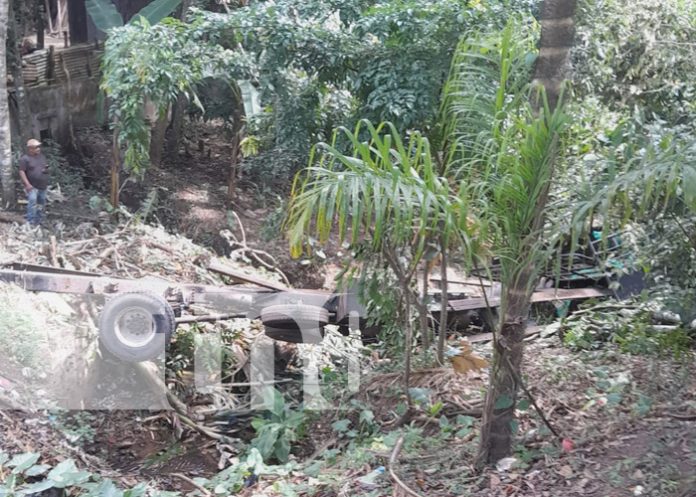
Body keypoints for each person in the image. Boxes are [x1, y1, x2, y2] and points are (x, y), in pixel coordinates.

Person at [18, 139, 50, 226]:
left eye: (39, 147)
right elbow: (22, 171)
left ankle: (39, 219)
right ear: (30, 149)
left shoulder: (42, 156)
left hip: (42, 185)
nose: (38, 149)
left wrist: (45, 170)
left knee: (41, 203)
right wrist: (27, 184)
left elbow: (44, 167)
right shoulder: (25, 159)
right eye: (36, 147)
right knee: (32, 201)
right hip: (32, 185)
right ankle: (30, 221)